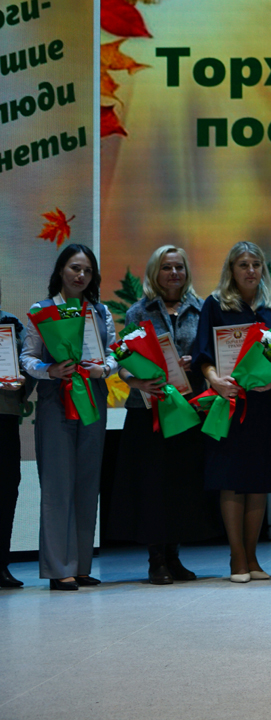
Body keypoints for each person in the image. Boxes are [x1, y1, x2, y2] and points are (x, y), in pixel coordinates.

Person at [108, 246, 218, 584]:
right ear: (155, 272)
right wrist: (136, 380)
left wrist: (195, 362)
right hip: (148, 409)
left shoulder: (202, 309)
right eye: (167, 267)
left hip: (188, 407)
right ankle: (156, 560)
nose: (174, 273)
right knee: (152, 485)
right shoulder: (138, 312)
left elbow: (210, 356)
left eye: (179, 267)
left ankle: (174, 556)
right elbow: (123, 361)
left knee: (181, 485)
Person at [20, 244, 117, 590]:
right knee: (57, 484)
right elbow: (27, 358)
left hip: (93, 399)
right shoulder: (42, 310)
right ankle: (59, 567)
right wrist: (50, 370)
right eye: (75, 268)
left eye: (88, 270)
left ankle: (82, 565)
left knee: (88, 483)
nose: (81, 275)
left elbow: (113, 354)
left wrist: (105, 368)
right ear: (61, 270)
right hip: (55, 401)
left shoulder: (100, 311)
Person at [192, 241, 271, 583]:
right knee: (231, 480)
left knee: (259, 481)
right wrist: (215, 380)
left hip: (266, 402)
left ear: (263, 269)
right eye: (243, 264)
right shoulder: (215, 304)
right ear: (231, 269)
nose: (250, 270)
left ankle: (253, 557)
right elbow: (202, 353)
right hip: (230, 400)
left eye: (256, 264)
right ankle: (237, 558)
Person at [1, 277, 31, 589]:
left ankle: (1, 564)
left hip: (4, 416)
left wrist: (23, 379)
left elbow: (27, 364)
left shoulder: (11, 324)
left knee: (6, 489)